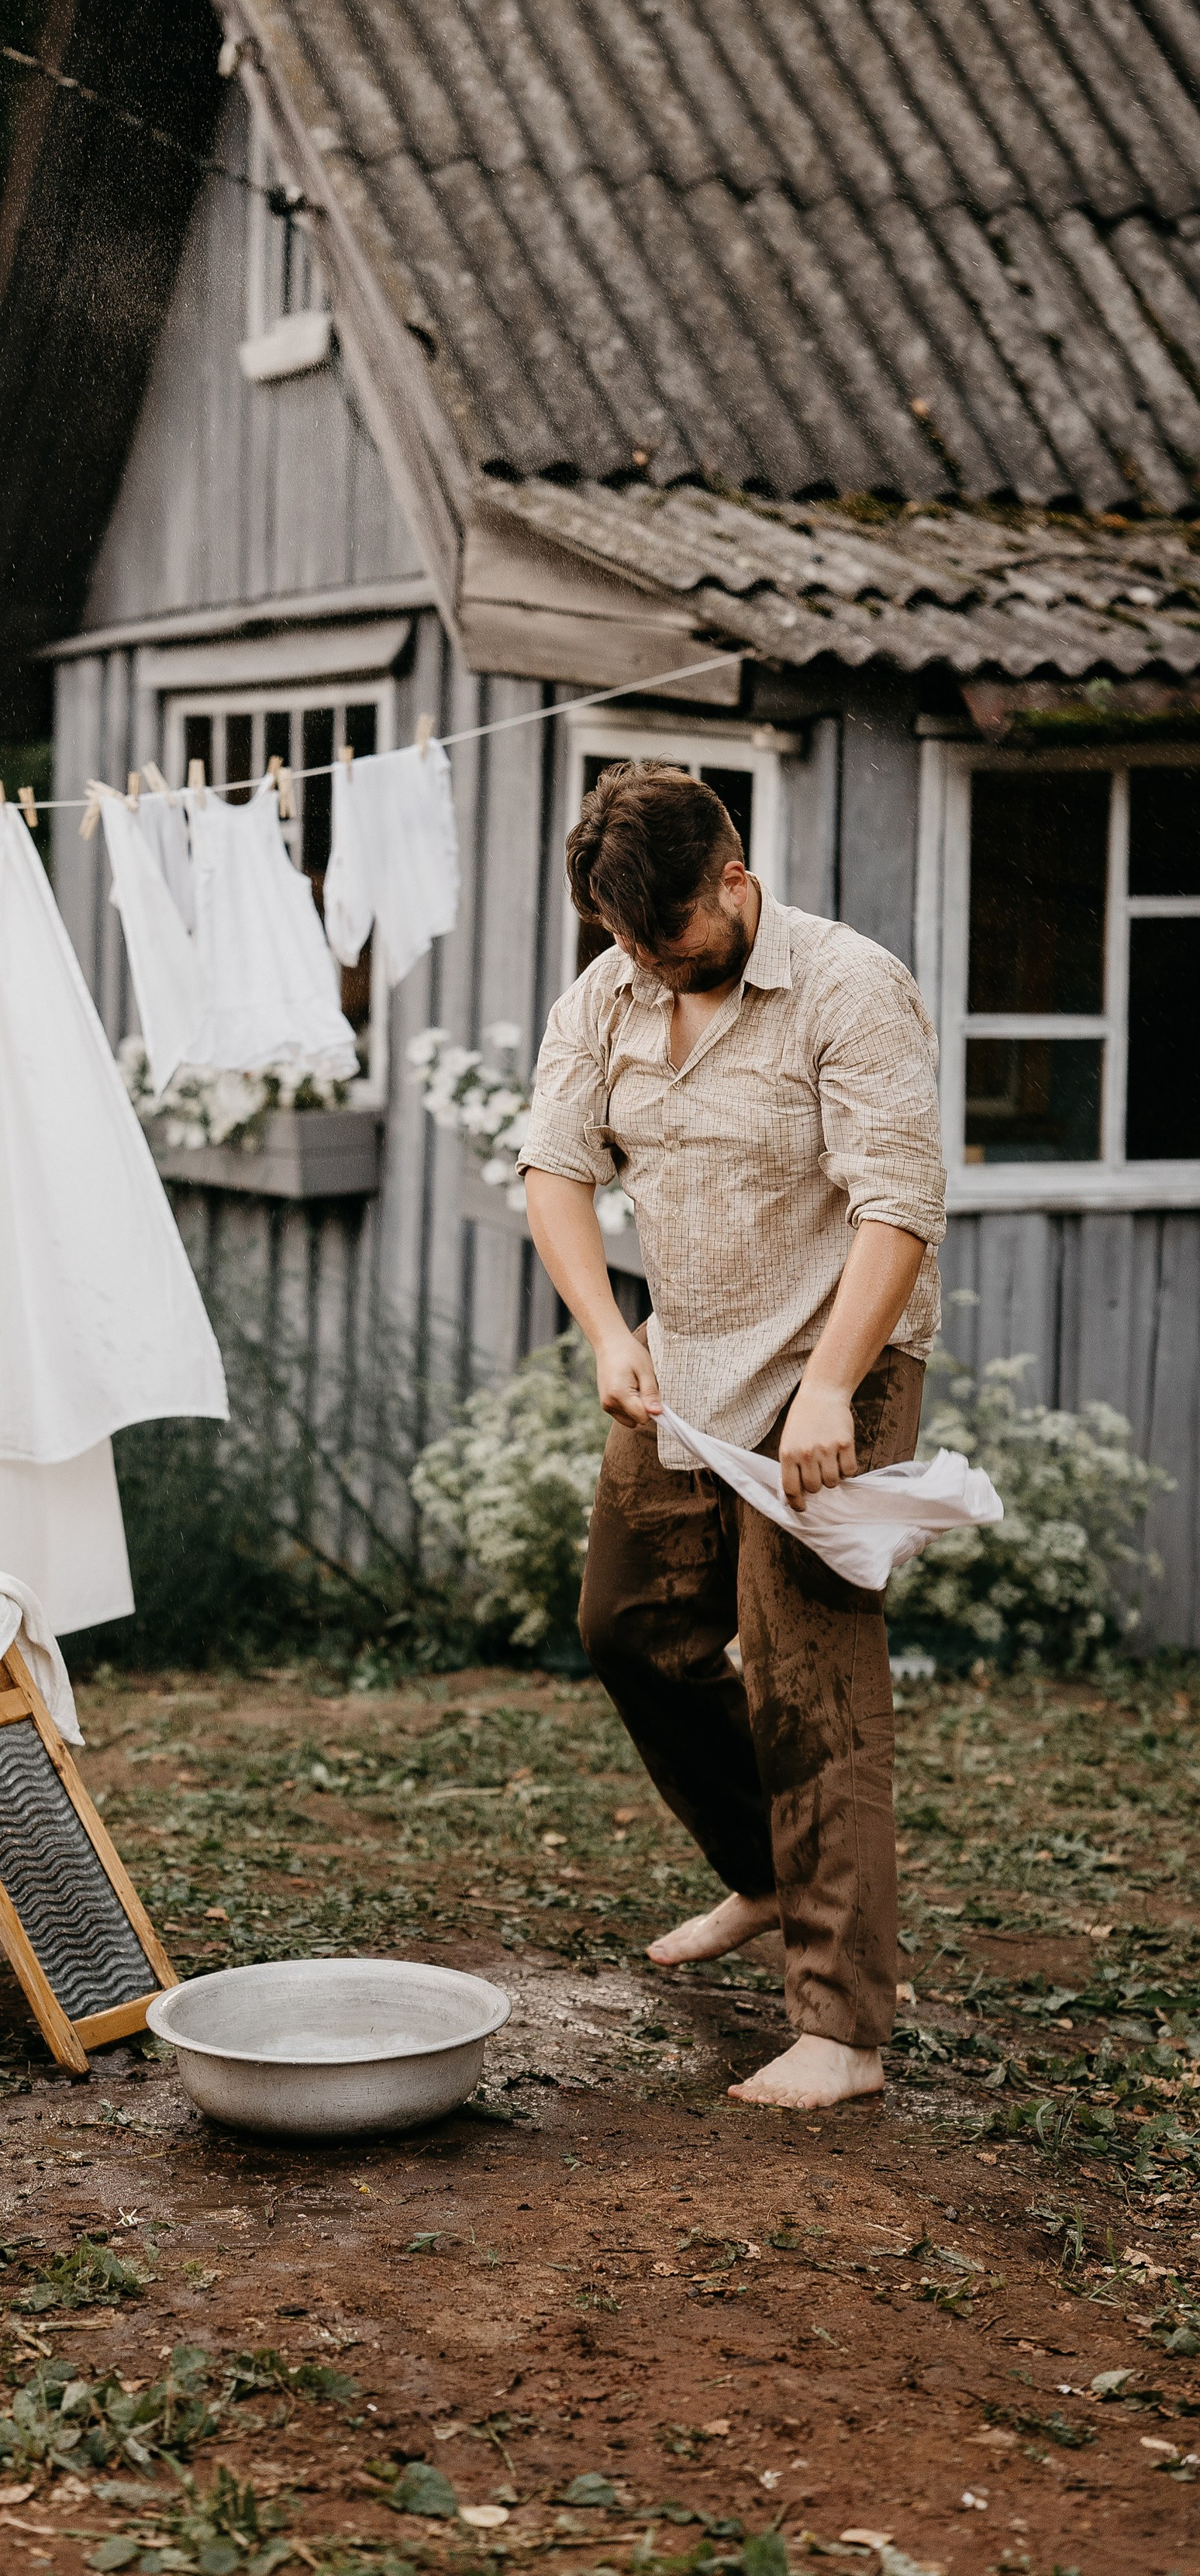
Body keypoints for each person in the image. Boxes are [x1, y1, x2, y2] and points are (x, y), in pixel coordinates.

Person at [519, 761, 945, 2112]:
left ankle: (841, 2030)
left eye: (672, 937)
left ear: (737, 880)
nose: (649, 964)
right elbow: (554, 1165)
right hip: (690, 1362)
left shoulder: (851, 988)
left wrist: (831, 1389)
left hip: (840, 1363)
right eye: (625, 942)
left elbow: (899, 1207)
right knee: (627, 1620)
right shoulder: (612, 989)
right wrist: (607, 1328)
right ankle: (767, 1874)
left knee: (805, 1671)